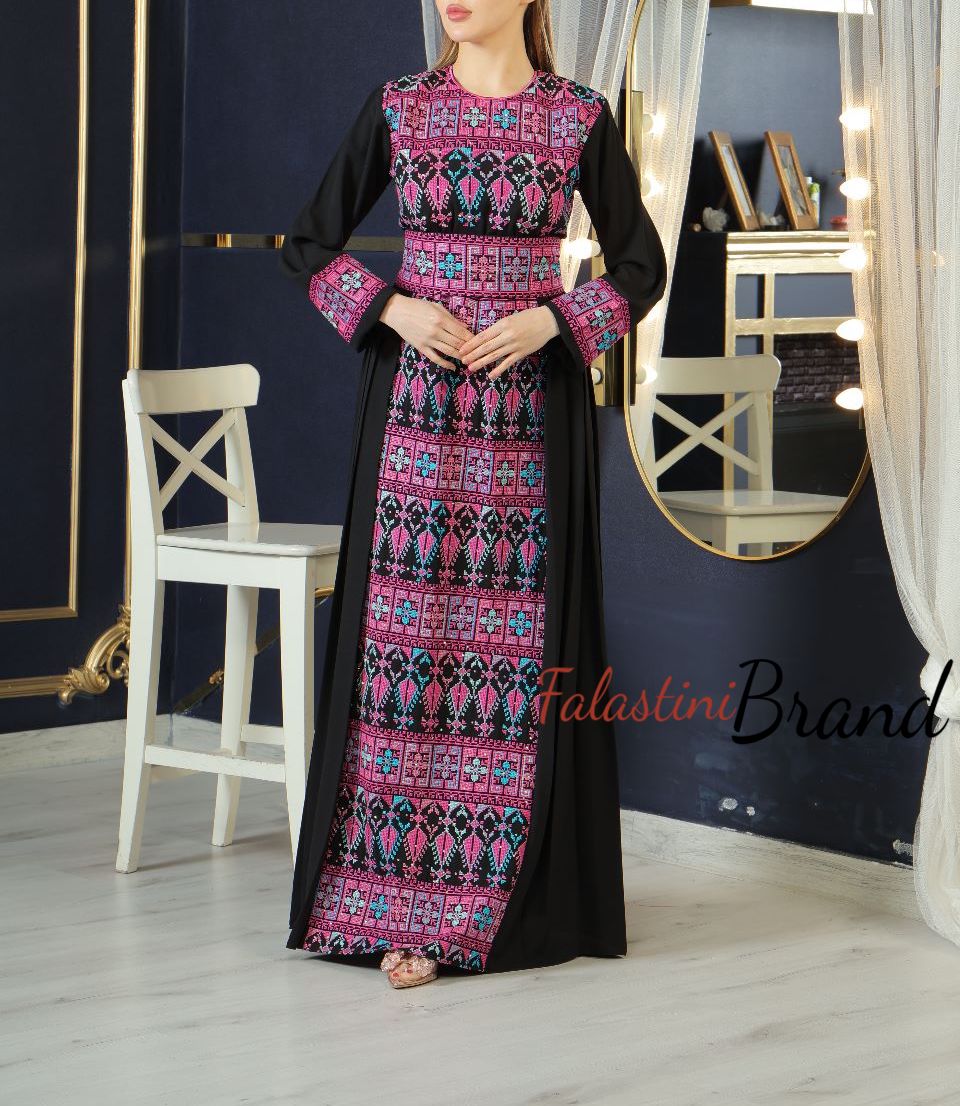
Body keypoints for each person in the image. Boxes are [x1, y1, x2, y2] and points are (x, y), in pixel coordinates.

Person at [278, 0, 667, 989]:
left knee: (511, 658)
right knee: (402, 650)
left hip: (528, 426)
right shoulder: (400, 106)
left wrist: (554, 322)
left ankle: (485, 904)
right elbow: (308, 243)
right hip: (415, 417)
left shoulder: (576, 115)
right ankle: (388, 904)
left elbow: (642, 264)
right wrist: (392, 307)